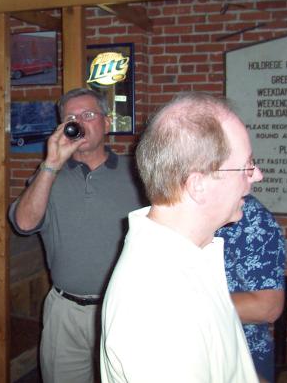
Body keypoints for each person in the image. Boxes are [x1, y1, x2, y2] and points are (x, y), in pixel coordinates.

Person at [101, 92, 262, 382]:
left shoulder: (193, 253)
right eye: (246, 166)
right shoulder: (158, 306)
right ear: (197, 185)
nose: (257, 175)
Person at [9, 88, 143, 383]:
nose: (79, 122)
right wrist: (51, 165)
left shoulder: (137, 173)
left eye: (88, 115)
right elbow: (24, 223)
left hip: (123, 309)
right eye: (71, 117)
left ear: (106, 123)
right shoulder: (48, 175)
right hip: (65, 312)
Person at [216, 194, 285, 383]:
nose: (256, 175)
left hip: (240, 355)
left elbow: (267, 307)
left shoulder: (248, 214)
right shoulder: (162, 216)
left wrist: (177, 303)